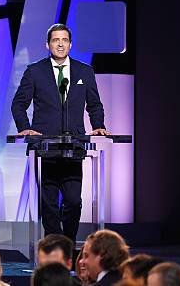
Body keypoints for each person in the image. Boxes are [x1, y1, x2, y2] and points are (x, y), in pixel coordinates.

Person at [12, 23, 109, 242]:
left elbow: (94, 104)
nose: (60, 44)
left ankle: (68, 243)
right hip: (45, 149)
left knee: (74, 201)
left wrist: (99, 124)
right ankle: (54, 246)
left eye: (64, 40)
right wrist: (24, 128)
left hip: (74, 146)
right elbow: (18, 104)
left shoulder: (84, 71)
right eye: (56, 40)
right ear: (48, 44)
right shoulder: (34, 71)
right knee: (48, 203)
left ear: (70, 44)